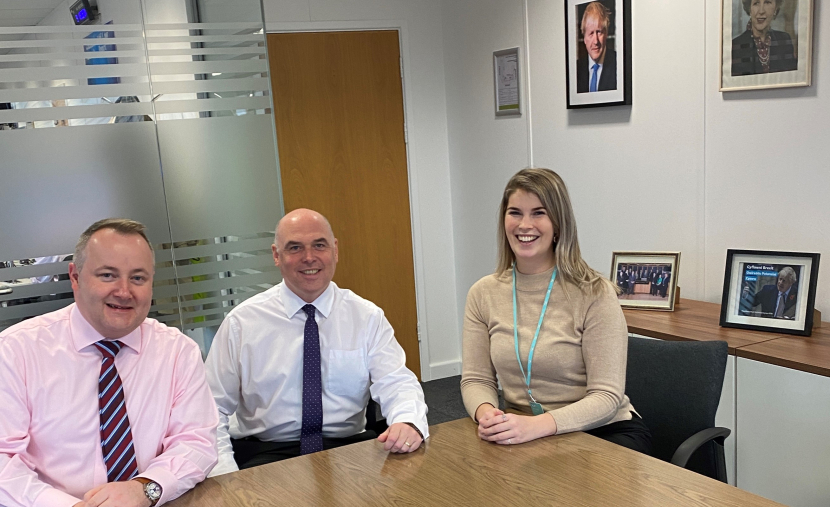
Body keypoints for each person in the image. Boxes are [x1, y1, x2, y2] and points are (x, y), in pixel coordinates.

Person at [0, 218, 218, 507]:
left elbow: (197, 441)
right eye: (107, 275)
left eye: (138, 278)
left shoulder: (178, 351)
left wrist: (146, 488)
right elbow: (4, 459)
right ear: (75, 277)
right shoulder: (16, 350)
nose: (124, 291)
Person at [206, 208, 428, 475]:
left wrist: (407, 421)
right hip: (269, 453)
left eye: (319, 245)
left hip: (348, 448)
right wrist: (226, 477)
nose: (309, 257)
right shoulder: (242, 323)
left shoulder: (366, 316)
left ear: (335, 249)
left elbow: (397, 382)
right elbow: (211, 407)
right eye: (295, 247)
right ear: (277, 255)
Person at [461, 168, 651, 454]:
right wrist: (486, 412)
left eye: (539, 213)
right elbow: (477, 379)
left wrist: (538, 426)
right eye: (515, 212)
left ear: (558, 223)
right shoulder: (482, 293)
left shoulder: (594, 292)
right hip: (522, 431)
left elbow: (607, 396)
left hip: (602, 431)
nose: (525, 225)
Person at [731, 0, 797, 76]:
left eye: (767, 2)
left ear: (776, 7)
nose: (761, 11)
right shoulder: (735, 47)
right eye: (756, 3)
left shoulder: (785, 40)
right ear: (749, 6)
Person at [576, 1, 617, 93]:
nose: (595, 41)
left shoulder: (619, 64)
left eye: (599, 32)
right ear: (584, 38)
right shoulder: (576, 69)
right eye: (591, 33)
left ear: (606, 34)